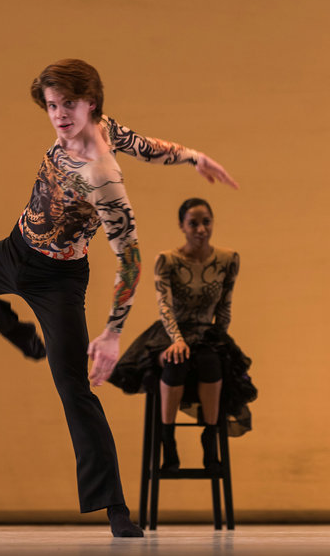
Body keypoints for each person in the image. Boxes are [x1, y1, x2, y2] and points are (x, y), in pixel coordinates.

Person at [0, 59, 238, 538]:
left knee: (73, 389)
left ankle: (115, 508)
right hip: (12, 251)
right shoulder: (105, 127)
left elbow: (130, 259)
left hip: (57, 281)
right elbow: (147, 146)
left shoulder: (102, 175)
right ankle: (11, 325)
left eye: (69, 104)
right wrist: (193, 157)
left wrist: (112, 334)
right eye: (51, 105)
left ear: (91, 103)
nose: (60, 115)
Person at [109, 198, 256, 471]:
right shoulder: (167, 260)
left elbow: (224, 307)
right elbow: (164, 305)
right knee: (176, 361)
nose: (201, 229)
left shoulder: (228, 259)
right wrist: (177, 340)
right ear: (182, 226)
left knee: (212, 362)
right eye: (193, 223)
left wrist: (219, 340)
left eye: (206, 222)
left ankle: (210, 436)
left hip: (206, 333)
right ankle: (167, 438)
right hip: (169, 334)